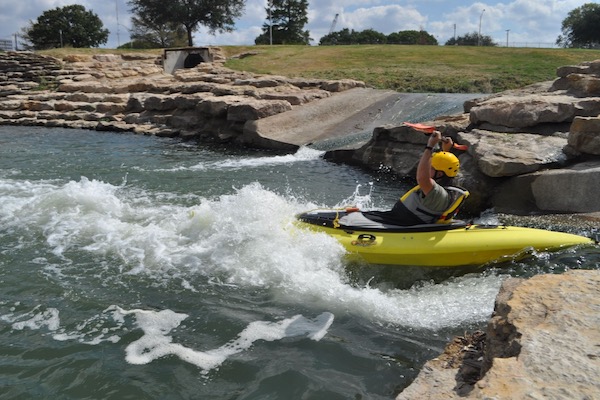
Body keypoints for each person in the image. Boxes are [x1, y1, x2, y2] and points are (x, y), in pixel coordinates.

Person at [386, 130, 463, 225]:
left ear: (439, 174)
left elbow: (422, 178)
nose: (427, 168)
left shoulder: (438, 194)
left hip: (400, 224)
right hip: (400, 219)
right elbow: (441, 166)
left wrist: (430, 146)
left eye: (431, 168)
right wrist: (445, 151)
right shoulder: (447, 184)